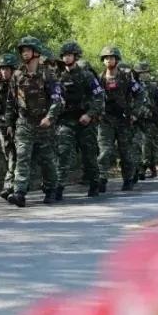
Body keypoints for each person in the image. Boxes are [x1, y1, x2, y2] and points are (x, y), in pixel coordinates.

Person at [5, 36, 63, 207]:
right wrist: (9, 123)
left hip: (44, 123)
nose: (24, 53)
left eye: (28, 50)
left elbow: (57, 99)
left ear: (36, 52)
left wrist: (50, 117)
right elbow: (10, 102)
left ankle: (51, 189)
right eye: (22, 50)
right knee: (22, 156)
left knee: (47, 159)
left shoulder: (48, 74)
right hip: (24, 122)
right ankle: (19, 192)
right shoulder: (16, 75)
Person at [54, 41, 104, 199]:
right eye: (64, 56)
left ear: (76, 57)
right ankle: (58, 187)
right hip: (66, 121)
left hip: (85, 121)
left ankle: (95, 183)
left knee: (89, 154)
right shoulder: (58, 77)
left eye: (69, 55)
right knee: (63, 153)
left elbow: (99, 97)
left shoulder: (86, 75)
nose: (66, 58)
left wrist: (89, 114)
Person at [97, 46, 142, 192]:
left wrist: (135, 113)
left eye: (111, 57)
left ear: (117, 59)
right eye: (106, 58)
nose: (108, 60)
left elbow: (140, 95)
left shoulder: (126, 77)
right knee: (105, 151)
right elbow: (93, 97)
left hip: (124, 120)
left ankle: (128, 179)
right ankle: (102, 179)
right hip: (106, 120)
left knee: (125, 152)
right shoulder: (99, 78)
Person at [0, 53, 19, 201]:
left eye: (7, 69)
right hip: (4, 124)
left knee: (16, 154)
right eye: (2, 69)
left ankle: (10, 185)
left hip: (21, 123)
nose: (4, 72)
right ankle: (14, 184)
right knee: (9, 153)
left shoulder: (21, 82)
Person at [134, 62, 158, 179]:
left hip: (150, 121)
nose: (144, 75)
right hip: (136, 119)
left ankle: (142, 169)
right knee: (138, 145)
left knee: (146, 145)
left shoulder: (153, 86)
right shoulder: (133, 85)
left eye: (146, 72)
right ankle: (151, 168)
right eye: (141, 73)